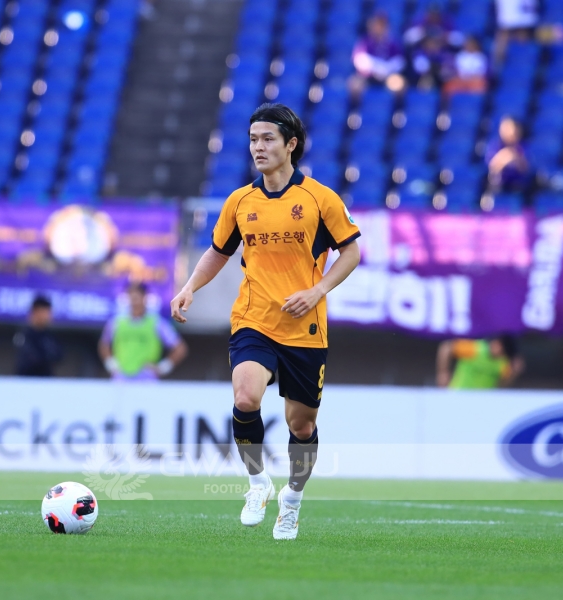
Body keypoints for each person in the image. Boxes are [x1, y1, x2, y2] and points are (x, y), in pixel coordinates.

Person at [169, 103, 361, 540]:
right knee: (245, 398)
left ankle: (291, 501)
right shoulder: (240, 201)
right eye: (253, 139)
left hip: (305, 328)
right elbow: (218, 251)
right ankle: (257, 483)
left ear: (291, 144)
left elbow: (351, 251)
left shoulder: (320, 199)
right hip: (253, 319)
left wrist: (318, 290)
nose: (258, 147)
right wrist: (189, 287)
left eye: (267, 139)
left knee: (301, 425)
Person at [99, 282, 187, 380]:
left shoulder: (157, 323)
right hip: (121, 378)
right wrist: (111, 365)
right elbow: (104, 345)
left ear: (144, 298)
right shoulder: (116, 322)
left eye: (137, 297)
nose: (134, 302)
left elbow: (180, 348)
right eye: (131, 297)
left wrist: (162, 368)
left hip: (147, 379)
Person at [436, 334, 525, 389]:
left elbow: (501, 385)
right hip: (458, 395)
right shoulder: (476, 349)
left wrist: (514, 374)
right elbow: (446, 347)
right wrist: (443, 372)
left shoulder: (503, 362)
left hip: (482, 402)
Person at [351, 12, 405, 91]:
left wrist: (387, 68)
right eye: (377, 25)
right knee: (355, 84)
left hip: (388, 76)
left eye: (382, 25)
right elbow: (358, 59)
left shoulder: (392, 42)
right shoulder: (365, 41)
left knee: (399, 83)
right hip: (367, 76)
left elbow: (399, 61)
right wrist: (375, 68)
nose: (379, 28)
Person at [14, 295, 63, 377]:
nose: (48, 316)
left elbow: (58, 355)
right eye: (45, 312)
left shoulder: (49, 335)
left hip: (46, 380)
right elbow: (32, 358)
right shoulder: (24, 334)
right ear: (35, 312)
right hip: (26, 379)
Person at [486, 116, 531, 192]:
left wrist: (515, 157)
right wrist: (504, 157)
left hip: (518, 185)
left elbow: (525, 169)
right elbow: (492, 167)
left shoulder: (523, 147)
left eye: (509, 128)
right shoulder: (495, 145)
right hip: (498, 185)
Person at [493, 0, 541, 69]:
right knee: (503, 35)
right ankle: (497, 66)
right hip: (514, 21)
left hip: (530, 24)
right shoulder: (505, 32)